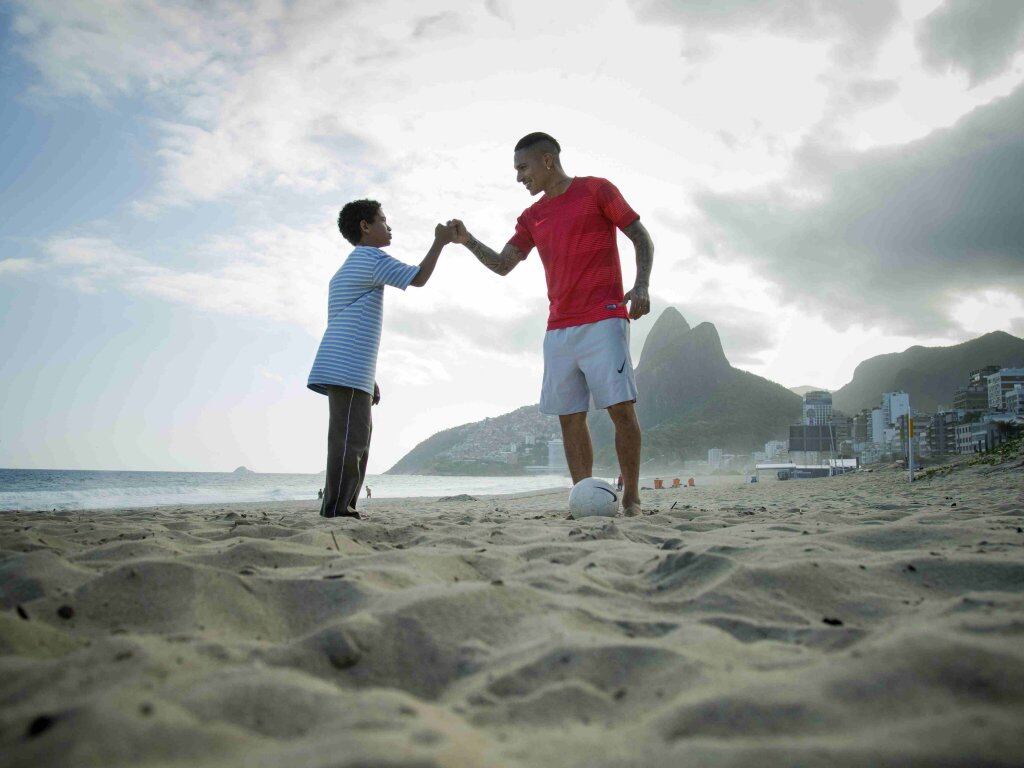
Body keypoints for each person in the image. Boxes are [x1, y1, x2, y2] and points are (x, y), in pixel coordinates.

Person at [449, 132, 654, 517]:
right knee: (570, 418)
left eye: (522, 168)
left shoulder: (597, 190)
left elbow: (641, 236)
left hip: (604, 318)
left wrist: (641, 284)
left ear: (547, 161)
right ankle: (584, 498)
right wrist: (468, 240)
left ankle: (631, 498)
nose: (518, 178)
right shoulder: (531, 217)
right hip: (558, 328)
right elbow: (503, 264)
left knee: (621, 411)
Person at [308, 199, 452, 518]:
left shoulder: (352, 266)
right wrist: (439, 242)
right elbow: (418, 277)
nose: (389, 227)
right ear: (365, 226)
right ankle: (336, 509)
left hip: (350, 367)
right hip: (345, 366)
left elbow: (344, 322)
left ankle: (343, 506)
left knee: (357, 438)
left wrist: (366, 375)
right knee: (350, 441)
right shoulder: (370, 257)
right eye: (384, 221)